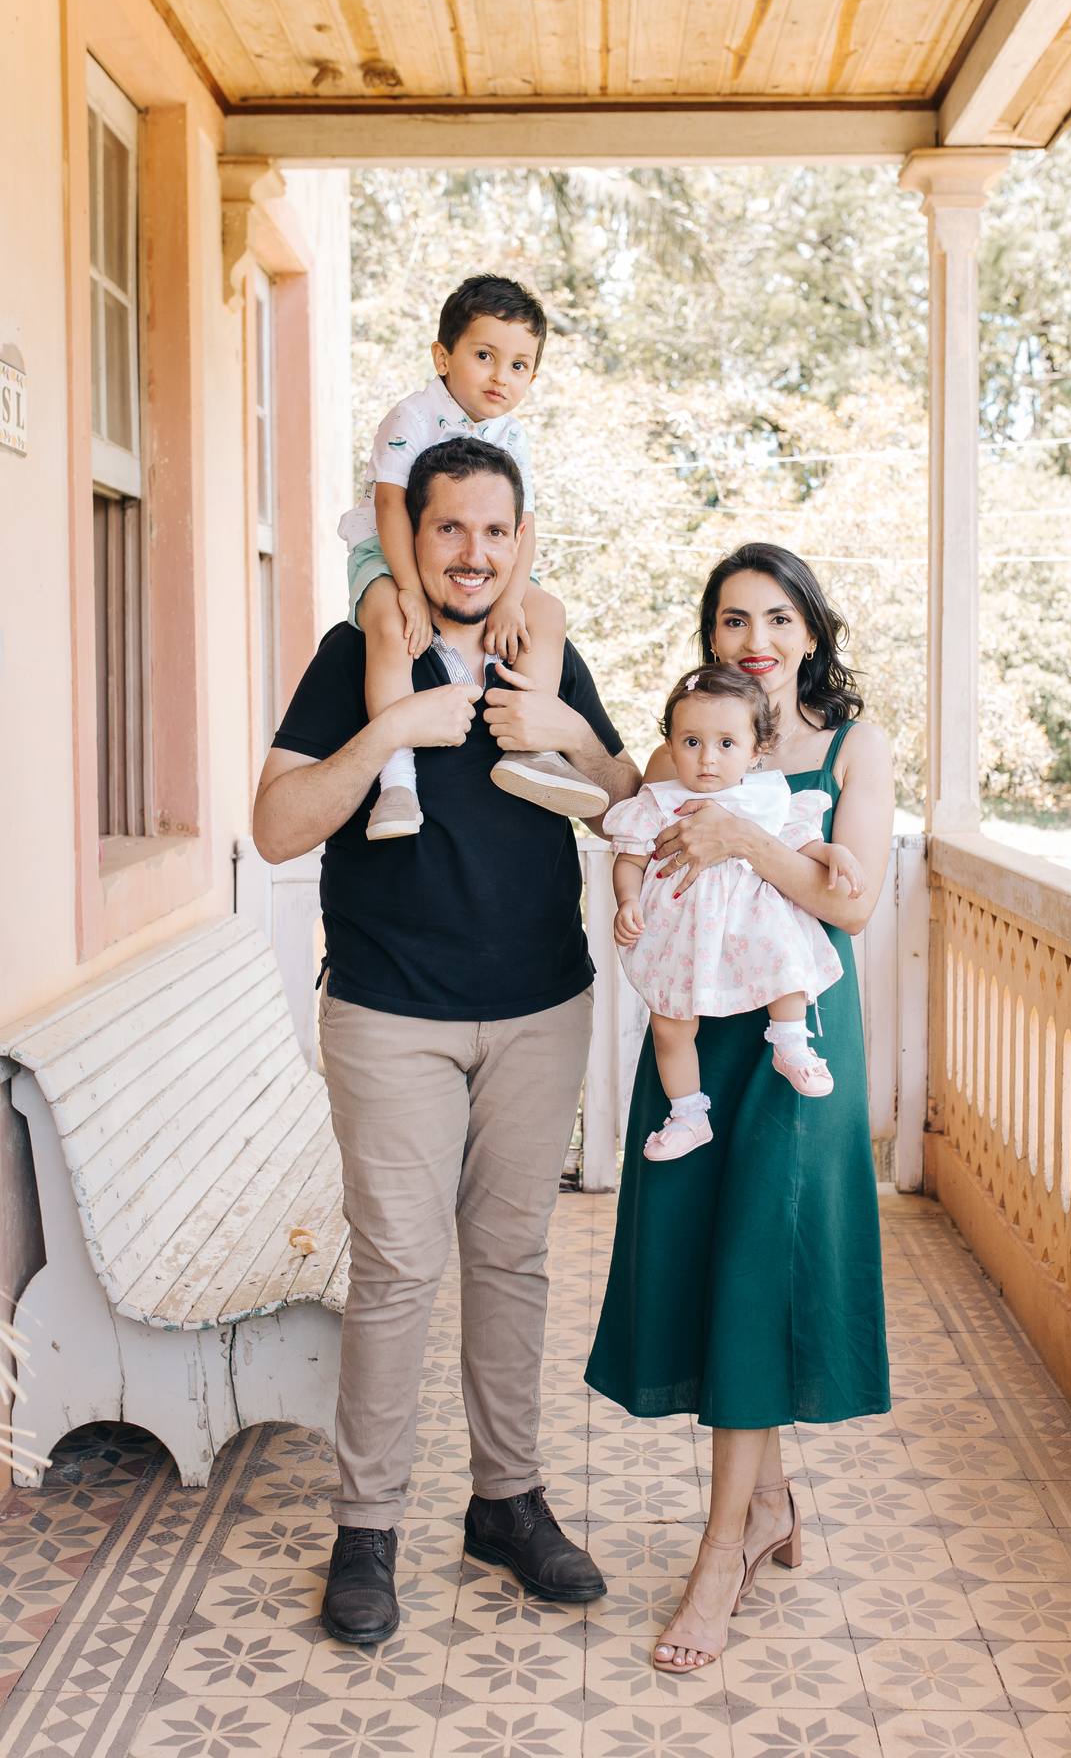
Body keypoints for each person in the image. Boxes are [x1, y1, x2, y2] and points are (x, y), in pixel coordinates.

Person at [255, 437, 640, 1645]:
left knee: (513, 1260)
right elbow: (276, 826)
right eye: (450, 529)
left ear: (522, 542)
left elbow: (633, 807)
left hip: (540, 1007)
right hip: (389, 1012)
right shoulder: (355, 657)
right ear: (411, 540)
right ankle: (366, 1528)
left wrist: (567, 728)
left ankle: (506, 1502)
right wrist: (391, 735)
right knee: (399, 1269)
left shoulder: (546, 654)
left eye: (495, 530)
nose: (474, 553)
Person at [585, 543, 894, 1674]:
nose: (753, 640)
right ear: (710, 633)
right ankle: (765, 1507)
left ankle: (721, 1555)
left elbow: (850, 907)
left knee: (763, 1264)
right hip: (692, 1031)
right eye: (731, 620)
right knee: (708, 1261)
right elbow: (621, 821)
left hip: (793, 1033)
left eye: (776, 618)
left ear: (811, 631)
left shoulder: (854, 747)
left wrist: (747, 839)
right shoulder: (692, 742)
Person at [338, 272, 608, 839]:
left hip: (472, 565)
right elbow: (390, 508)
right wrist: (409, 589)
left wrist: (511, 600)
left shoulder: (512, 436)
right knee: (391, 624)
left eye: (519, 365)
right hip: (389, 550)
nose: (500, 376)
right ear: (443, 357)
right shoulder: (411, 416)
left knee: (548, 611)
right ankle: (397, 780)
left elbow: (524, 527)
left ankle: (530, 750)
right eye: (484, 356)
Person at [605, 665, 864, 1160]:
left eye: (726, 743)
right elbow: (631, 859)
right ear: (670, 745)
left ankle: (792, 1042)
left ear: (756, 749)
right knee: (669, 1026)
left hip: (751, 926)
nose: (707, 758)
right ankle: (688, 1115)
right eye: (692, 742)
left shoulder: (764, 798)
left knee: (784, 959)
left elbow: (800, 840)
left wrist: (834, 853)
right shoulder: (657, 802)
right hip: (679, 934)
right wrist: (628, 899)